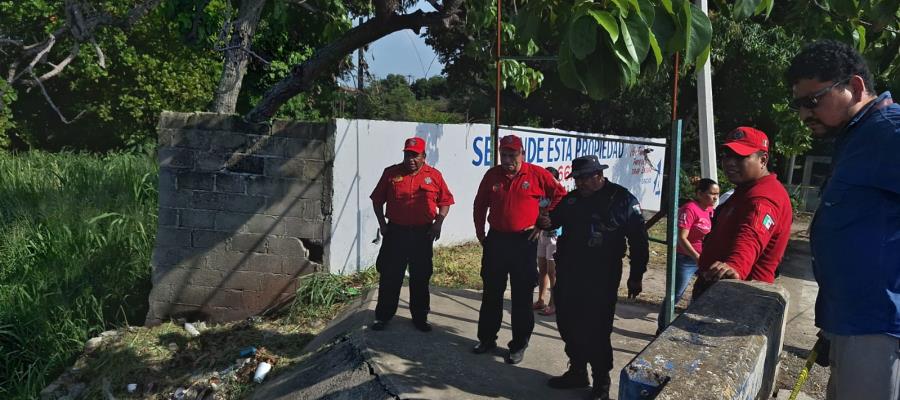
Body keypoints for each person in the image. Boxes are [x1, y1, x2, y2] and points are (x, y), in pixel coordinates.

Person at [787, 40, 900, 400]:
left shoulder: (889, 131)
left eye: (812, 101)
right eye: (798, 104)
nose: (804, 114)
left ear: (853, 86)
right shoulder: (859, 137)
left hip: (878, 325)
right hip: (853, 321)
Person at [537, 155, 648, 400]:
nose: (579, 183)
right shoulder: (573, 199)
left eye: (583, 178)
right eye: (576, 178)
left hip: (602, 276)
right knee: (567, 322)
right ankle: (577, 370)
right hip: (569, 272)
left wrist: (636, 276)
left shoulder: (621, 199)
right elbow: (556, 218)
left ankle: (601, 383)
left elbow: (639, 241)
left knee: (597, 329)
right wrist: (546, 221)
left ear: (598, 175)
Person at [472, 134, 566, 364]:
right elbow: (480, 203)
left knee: (522, 295)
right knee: (492, 291)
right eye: (504, 154)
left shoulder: (536, 174)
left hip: (524, 240)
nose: (507, 159)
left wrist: (545, 219)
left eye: (512, 155)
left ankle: (518, 345)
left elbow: (560, 194)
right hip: (496, 240)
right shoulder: (492, 175)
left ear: (522, 154)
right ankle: (486, 338)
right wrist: (480, 232)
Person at [690, 127, 792, 299]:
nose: (730, 162)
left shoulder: (763, 198)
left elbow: (752, 235)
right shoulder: (746, 190)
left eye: (740, 156)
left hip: (738, 297)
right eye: (727, 155)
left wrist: (735, 266)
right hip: (720, 291)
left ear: (763, 160)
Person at [369, 137, 455, 332]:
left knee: (420, 277)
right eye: (408, 154)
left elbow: (445, 201)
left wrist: (438, 224)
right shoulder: (391, 173)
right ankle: (383, 317)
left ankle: (420, 317)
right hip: (396, 233)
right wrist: (382, 225)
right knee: (390, 276)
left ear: (424, 156)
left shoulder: (434, 176)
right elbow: (377, 200)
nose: (411, 159)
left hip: (422, 234)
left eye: (415, 155)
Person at [656, 178, 719, 333]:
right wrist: (696, 257)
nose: (715, 197)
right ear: (699, 193)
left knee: (705, 292)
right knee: (676, 294)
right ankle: (662, 327)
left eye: (718, 194)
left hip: (704, 258)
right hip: (687, 259)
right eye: (712, 194)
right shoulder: (689, 209)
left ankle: (692, 325)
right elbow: (681, 238)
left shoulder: (710, 211)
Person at [534, 166, 563, 316]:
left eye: (550, 179)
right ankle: (540, 300)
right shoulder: (540, 194)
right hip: (542, 234)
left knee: (553, 272)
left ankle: (554, 303)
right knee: (542, 269)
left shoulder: (559, 196)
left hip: (554, 236)